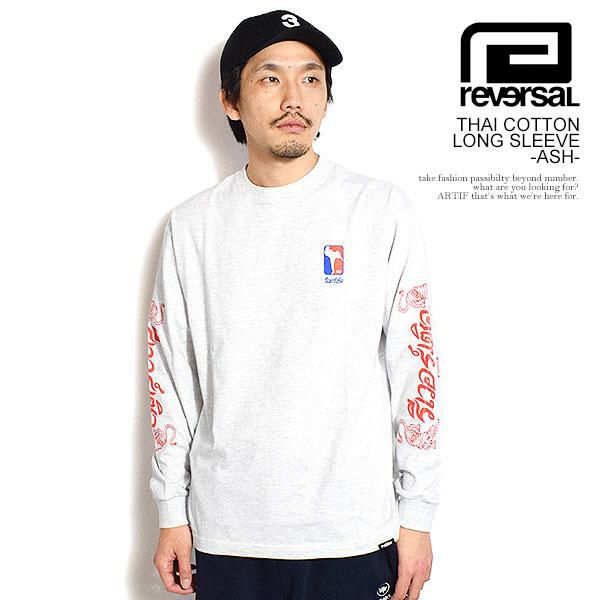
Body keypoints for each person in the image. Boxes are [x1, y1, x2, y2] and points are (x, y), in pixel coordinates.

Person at [147, 9, 443, 600]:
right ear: (231, 101)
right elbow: (171, 377)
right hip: (228, 532)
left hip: (354, 531)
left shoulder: (378, 211)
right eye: (270, 78)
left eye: (311, 79)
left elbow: (417, 369)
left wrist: (418, 513)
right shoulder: (193, 226)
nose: (294, 98)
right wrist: (170, 512)